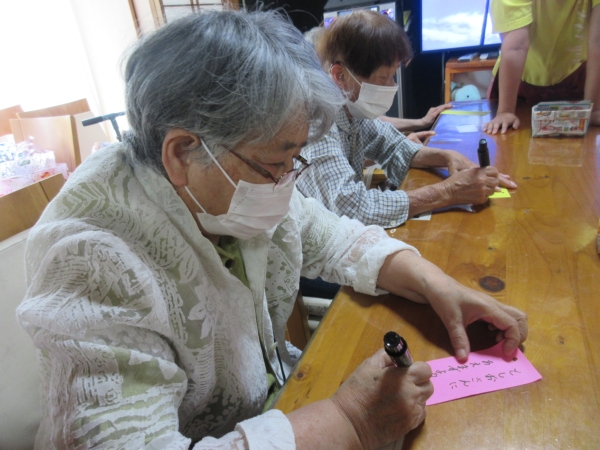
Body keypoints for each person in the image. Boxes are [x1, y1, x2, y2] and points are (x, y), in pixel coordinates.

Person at [17, 10, 527, 449]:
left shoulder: (227, 179)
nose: (288, 181)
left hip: (270, 404)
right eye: (276, 164)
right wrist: (349, 421)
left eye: (295, 159)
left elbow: (333, 235)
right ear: (182, 152)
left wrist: (437, 283)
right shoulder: (90, 259)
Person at [297, 10, 517, 228]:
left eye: (393, 75)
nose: (392, 85)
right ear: (340, 75)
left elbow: (393, 146)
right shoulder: (317, 124)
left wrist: (446, 156)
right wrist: (449, 191)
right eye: (383, 77)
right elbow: (354, 209)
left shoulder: (350, 107)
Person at [484, 0, 600, 134]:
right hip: (517, 85)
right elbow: (516, 47)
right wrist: (505, 111)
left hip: (575, 80)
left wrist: (593, 108)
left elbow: (597, 42)